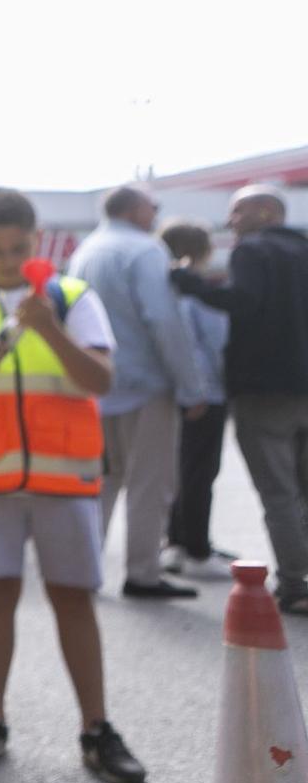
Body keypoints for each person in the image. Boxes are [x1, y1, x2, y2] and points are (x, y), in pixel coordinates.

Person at [0, 188, 147, 783]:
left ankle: (96, 727)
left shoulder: (71, 297)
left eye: (18, 248)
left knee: (73, 599)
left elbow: (99, 379)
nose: (7, 260)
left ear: (36, 238)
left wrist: (49, 329)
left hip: (64, 478)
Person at [172, 184, 308, 613]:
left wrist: (188, 282)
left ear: (267, 212)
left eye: (238, 211)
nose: (231, 221)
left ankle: (296, 585)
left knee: (279, 492)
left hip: (263, 389)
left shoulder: (253, 252)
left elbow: (243, 301)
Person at [67, 186, 207, 599]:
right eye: (154, 207)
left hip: (99, 384)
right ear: (135, 209)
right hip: (146, 384)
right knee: (150, 482)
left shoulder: (86, 251)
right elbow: (164, 321)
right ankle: (143, 571)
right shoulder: (145, 252)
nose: (157, 214)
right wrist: (191, 386)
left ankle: (82, 569)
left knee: (103, 481)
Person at [159, 221, 234, 580]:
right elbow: (215, 345)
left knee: (178, 470)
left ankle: (174, 542)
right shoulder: (198, 293)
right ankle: (197, 549)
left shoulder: (161, 288)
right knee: (201, 471)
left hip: (171, 392)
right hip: (207, 393)